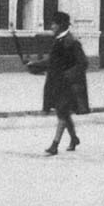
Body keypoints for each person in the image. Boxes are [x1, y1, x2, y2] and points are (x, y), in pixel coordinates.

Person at [26, 11, 89, 155]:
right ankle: (74, 138)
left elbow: (83, 63)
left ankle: (55, 145)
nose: (52, 26)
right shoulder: (59, 40)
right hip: (56, 83)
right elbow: (52, 61)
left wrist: (68, 75)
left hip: (67, 84)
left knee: (62, 112)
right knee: (63, 112)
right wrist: (35, 65)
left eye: (54, 24)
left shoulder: (71, 42)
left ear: (61, 25)